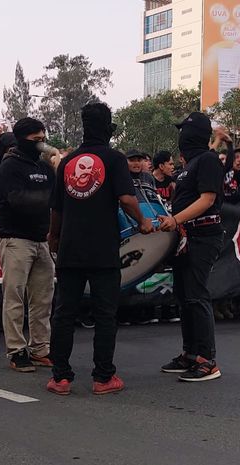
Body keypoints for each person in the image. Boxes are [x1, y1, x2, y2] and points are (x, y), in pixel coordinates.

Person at [47, 102, 153, 396]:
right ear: (108, 129)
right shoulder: (114, 159)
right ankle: (103, 378)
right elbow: (128, 200)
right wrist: (143, 222)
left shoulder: (68, 162)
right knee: (105, 314)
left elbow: (56, 208)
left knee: (64, 313)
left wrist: (54, 237)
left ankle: (61, 377)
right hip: (104, 249)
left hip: (70, 247)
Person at [158, 112, 224, 382]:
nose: (181, 136)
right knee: (184, 297)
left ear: (194, 133)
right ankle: (190, 353)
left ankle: (207, 360)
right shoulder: (189, 165)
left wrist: (175, 219)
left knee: (196, 295)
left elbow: (207, 200)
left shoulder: (207, 160)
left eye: (184, 130)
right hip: (186, 236)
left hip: (203, 235)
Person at [0, 117, 55, 372]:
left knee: (42, 298)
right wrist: (46, 198)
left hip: (40, 239)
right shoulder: (10, 166)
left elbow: (57, 198)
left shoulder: (44, 167)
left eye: (43, 139)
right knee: (15, 296)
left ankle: (40, 347)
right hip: (15, 238)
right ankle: (16, 350)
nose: (40, 144)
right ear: (22, 139)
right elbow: (18, 199)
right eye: (35, 140)